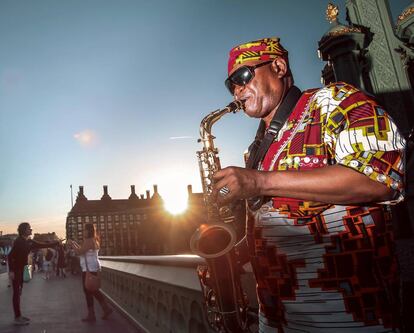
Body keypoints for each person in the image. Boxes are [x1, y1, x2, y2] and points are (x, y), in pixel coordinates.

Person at [212, 37, 406, 332]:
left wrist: (258, 180)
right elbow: (274, 214)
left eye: (242, 77)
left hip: (348, 319)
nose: (237, 90)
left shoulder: (336, 101)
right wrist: (232, 253)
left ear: (278, 66)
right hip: (276, 318)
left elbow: (379, 177)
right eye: (231, 85)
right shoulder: (256, 149)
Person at [7, 222, 58, 326]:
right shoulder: (18, 241)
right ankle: (17, 318)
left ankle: (19, 316)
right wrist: (11, 271)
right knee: (16, 293)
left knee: (19, 292)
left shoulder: (29, 241)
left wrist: (56, 243)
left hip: (23, 269)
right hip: (16, 270)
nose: (31, 230)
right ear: (24, 230)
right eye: (29, 228)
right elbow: (10, 256)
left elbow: (42, 245)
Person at [68, 223, 112, 322]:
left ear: (89, 230)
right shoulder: (94, 240)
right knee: (93, 290)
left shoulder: (88, 240)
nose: (83, 231)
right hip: (94, 267)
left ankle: (92, 315)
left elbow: (79, 252)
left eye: (85, 230)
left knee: (88, 291)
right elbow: (83, 250)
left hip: (89, 269)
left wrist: (71, 244)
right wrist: (74, 243)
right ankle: (105, 309)